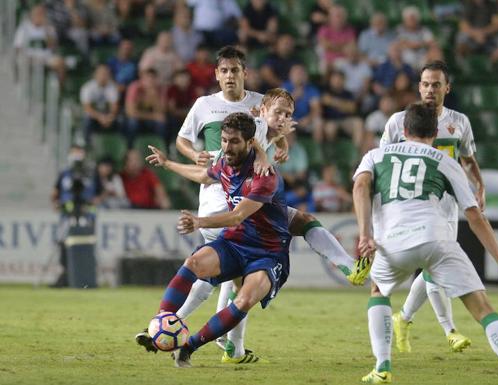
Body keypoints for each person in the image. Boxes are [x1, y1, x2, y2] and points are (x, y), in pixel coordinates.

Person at [141, 46, 364, 362]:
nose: (283, 118)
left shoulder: (262, 159)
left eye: (288, 115)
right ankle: (178, 328)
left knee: (239, 283)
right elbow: (205, 172)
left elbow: (239, 205)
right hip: (225, 210)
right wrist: (172, 162)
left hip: (253, 222)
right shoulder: (216, 128)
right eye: (225, 70)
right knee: (218, 273)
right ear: (217, 74)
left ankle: (201, 337)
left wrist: (275, 146)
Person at [353, 102, 498, 385]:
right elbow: (475, 217)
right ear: (435, 131)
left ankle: (382, 367)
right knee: (482, 309)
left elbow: (360, 187)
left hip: (392, 244)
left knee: (378, 291)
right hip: (436, 239)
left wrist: (365, 234)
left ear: (403, 129)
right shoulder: (445, 161)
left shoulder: (374, 155)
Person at [147, 112, 292, 368]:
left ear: (250, 143)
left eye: (234, 141)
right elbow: (204, 175)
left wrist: (200, 222)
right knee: (193, 262)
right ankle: (162, 322)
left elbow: (237, 216)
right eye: (224, 140)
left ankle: (189, 347)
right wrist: (168, 163)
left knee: (244, 300)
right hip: (236, 243)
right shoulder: (225, 163)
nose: (226, 147)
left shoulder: (264, 176)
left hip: (267, 252)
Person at [380, 61, 485, 354]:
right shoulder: (397, 122)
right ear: (419, 86)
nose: (430, 89)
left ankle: (405, 317)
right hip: (408, 204)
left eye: (436, 84)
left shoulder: (459, 122)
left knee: (432, 267)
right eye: (425, 83)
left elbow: (467, 158)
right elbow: (381, 160)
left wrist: (480, 185)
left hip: (446, 205)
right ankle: (448, 330)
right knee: (433, 265)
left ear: (447, 88)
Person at [50, 144, 96, 287]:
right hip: (67, 214)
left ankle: (87, 277)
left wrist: (92, 202)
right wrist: (57, 203)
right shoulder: (64, 174)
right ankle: (64, 276)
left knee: (86, 243)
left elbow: (100, 193)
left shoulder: (91, 174)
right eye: (74, 153)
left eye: (79, 153)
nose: (77, 157)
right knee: (64, 243)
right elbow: (55, 192)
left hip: (86, 214)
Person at [80, 64, 120, 145]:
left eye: (106, 74)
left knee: (122, 121)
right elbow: (87, 108)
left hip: (108, 117)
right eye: (101, 73)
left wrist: (110, 116)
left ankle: (125, 148)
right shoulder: (87, 88)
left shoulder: (112, 87)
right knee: (87, 121)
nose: (103, 76)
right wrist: (100, 117)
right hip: (94, 117)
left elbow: (114, 107)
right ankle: (87, 145)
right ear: (95, 75)